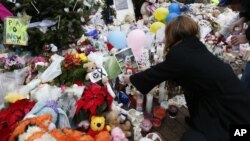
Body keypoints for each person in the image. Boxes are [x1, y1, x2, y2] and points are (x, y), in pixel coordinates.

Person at [124, 16, 250, 141]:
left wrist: (129, 79)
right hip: (237, 100)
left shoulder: (180, 54)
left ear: (172, 34)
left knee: (190, 138)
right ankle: (198, 122)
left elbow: (153, 74)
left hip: (235, 117)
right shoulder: (195, 45)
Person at [218, 0, 250, 88]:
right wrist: (243, 18)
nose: (232, 9)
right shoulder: (246, 6)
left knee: (246, 84)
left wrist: (247, 37)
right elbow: (241, 15)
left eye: (231, 5)